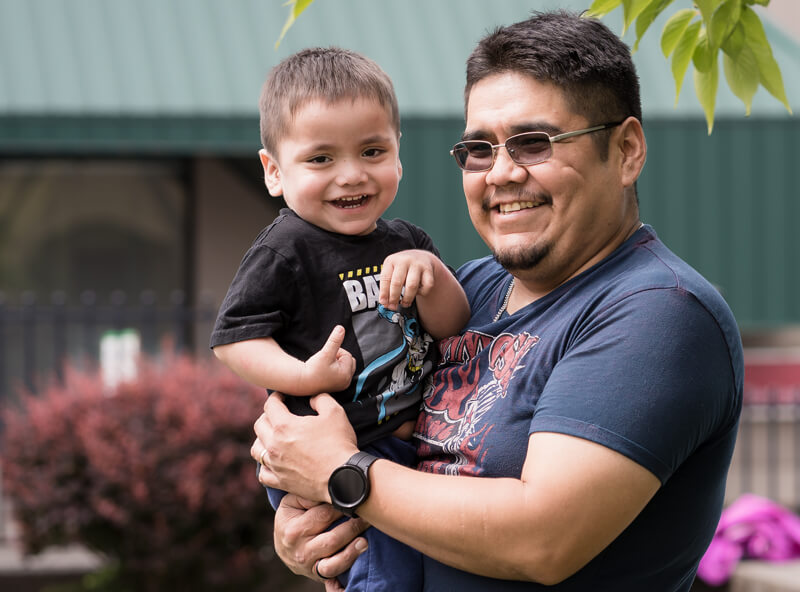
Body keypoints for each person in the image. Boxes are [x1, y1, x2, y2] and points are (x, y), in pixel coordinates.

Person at [253, 10, 744, 591]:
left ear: (627, 150)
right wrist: (307, 528)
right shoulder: (465, 291)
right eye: (479, 149)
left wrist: (343, 475)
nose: (501, 173)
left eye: (534, 143)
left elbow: (542, 540)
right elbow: (341, 432)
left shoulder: (659, 313)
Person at [210, 47, 470, 592]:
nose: (351, 176)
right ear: (274, 171)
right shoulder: (286, 250)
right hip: (326, 454)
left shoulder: (407, 241)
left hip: (399, 450)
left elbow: (452, 324)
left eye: (372, 151)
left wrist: (432, 272)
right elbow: (235, 341)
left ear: (399, 156)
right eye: (321, 159)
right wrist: (305, 376)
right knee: (385, 576)